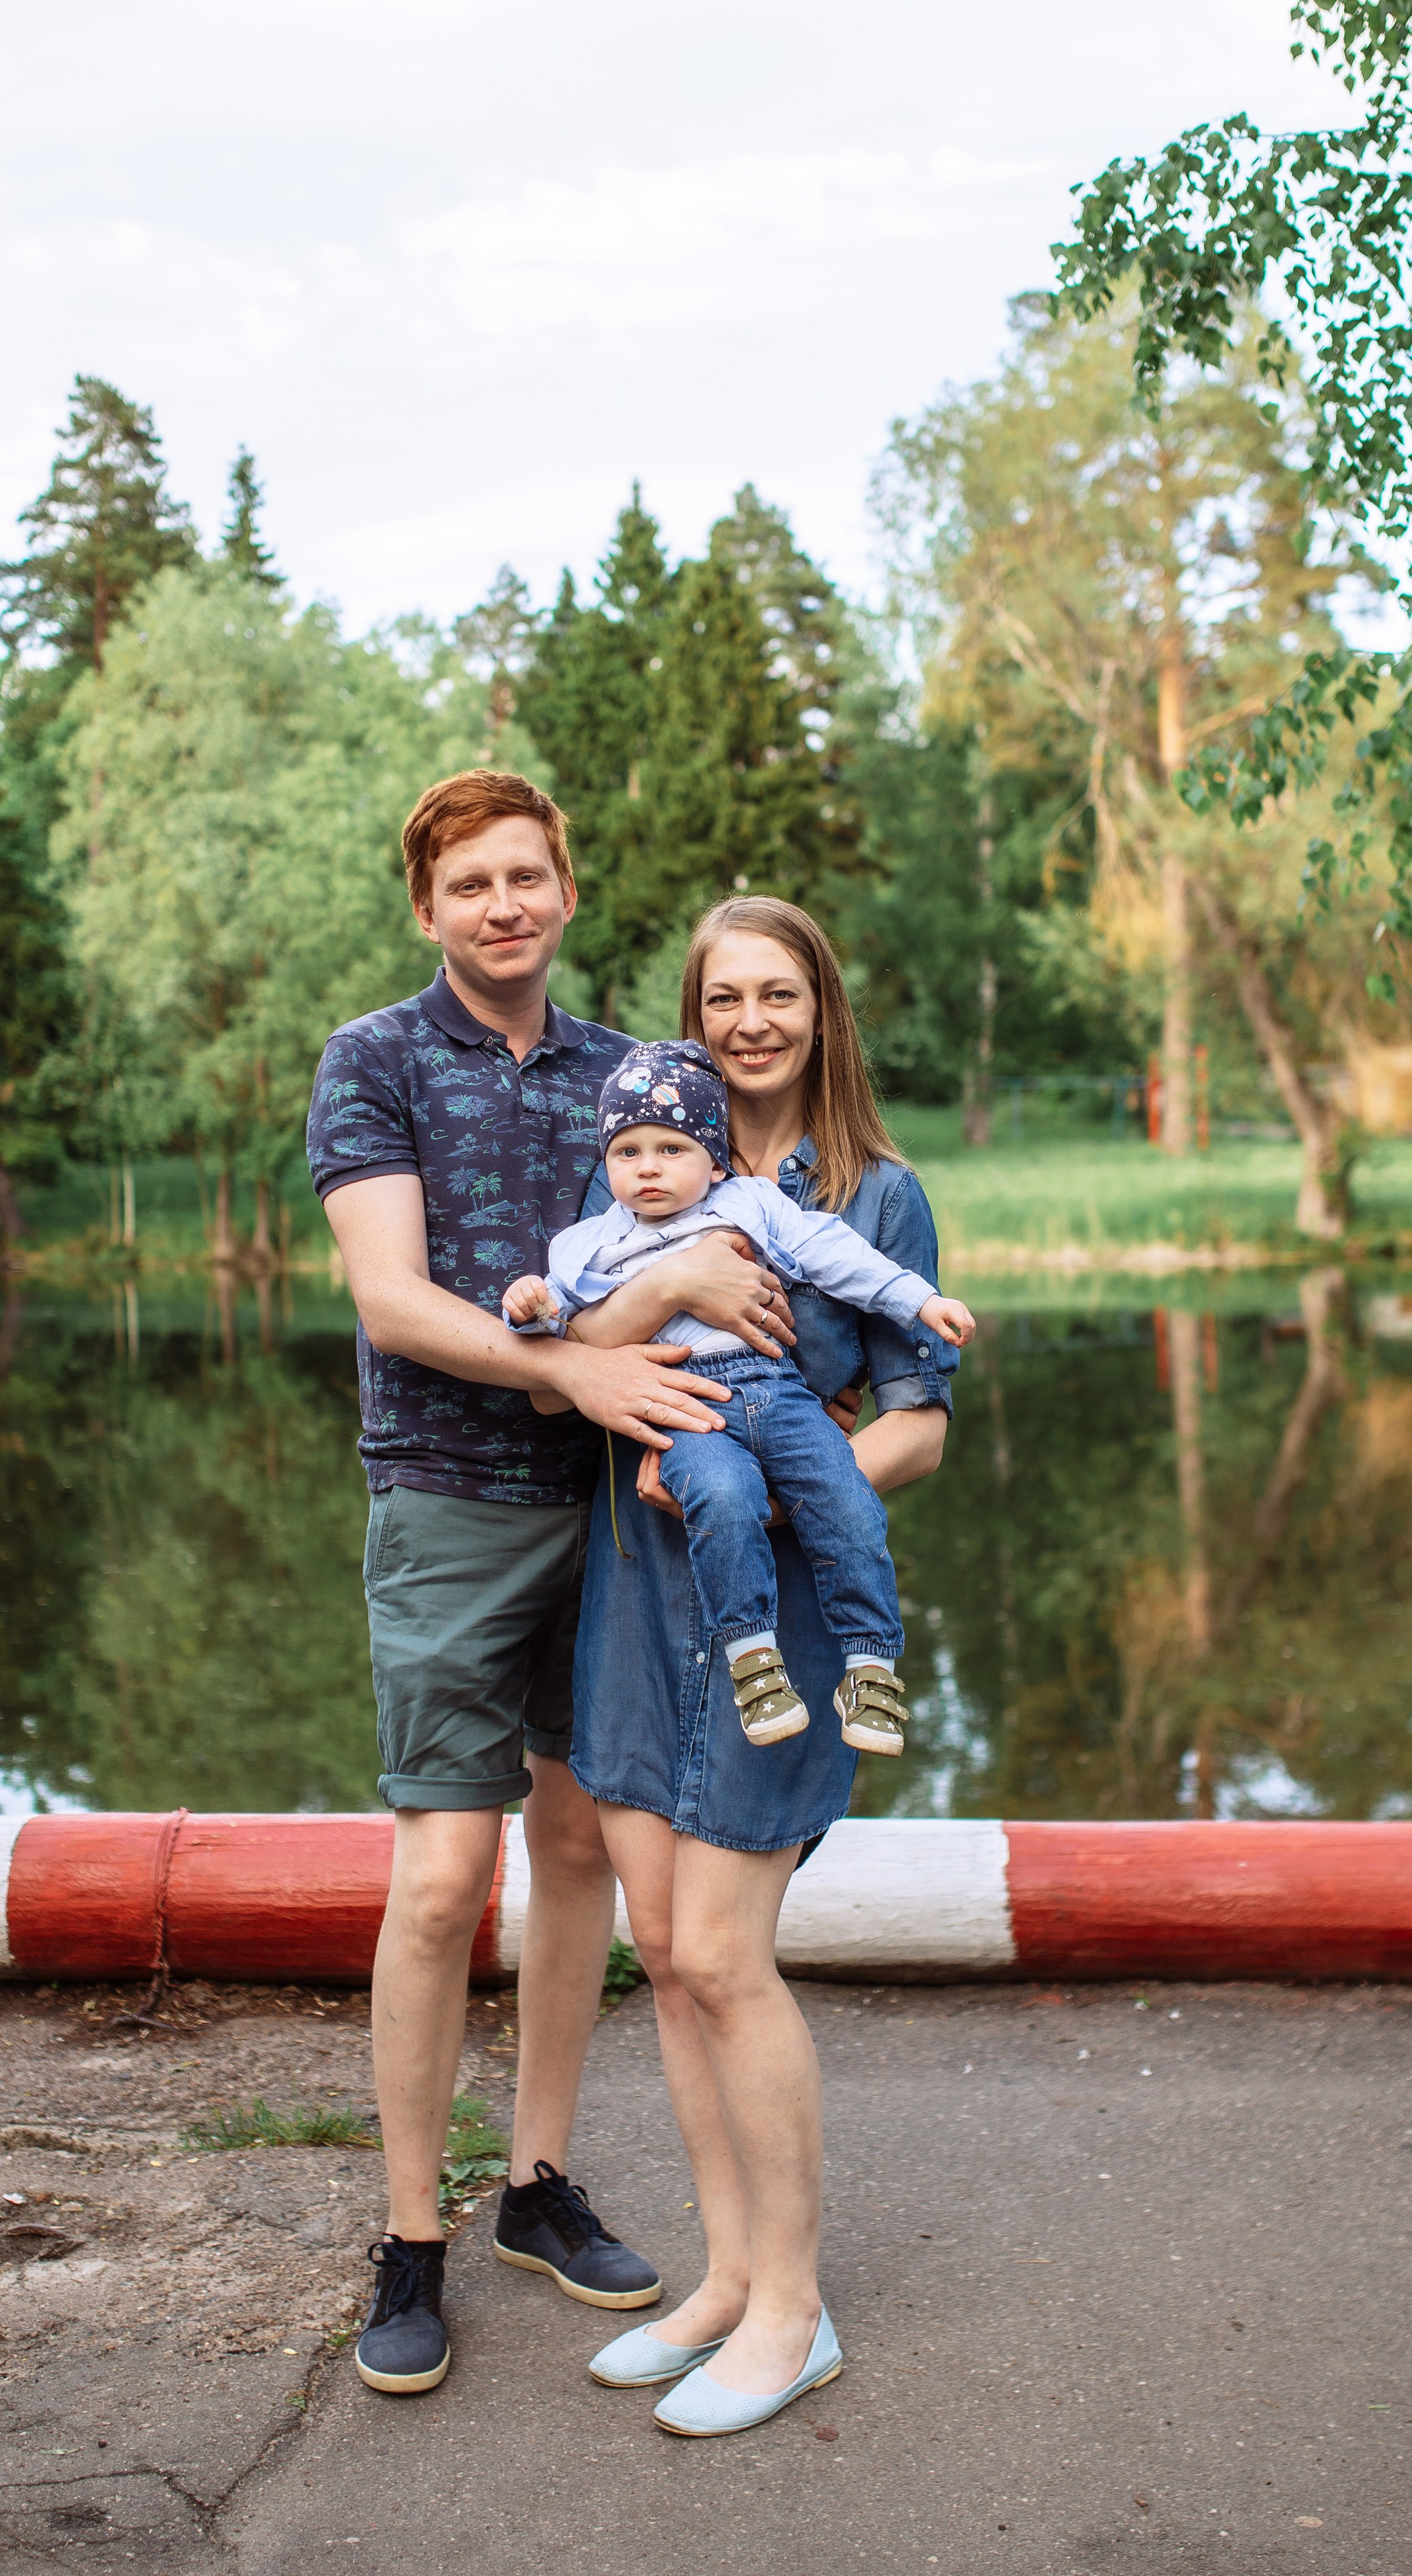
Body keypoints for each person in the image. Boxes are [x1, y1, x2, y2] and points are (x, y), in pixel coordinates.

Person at [307, 769, 756, 2398]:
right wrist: (572, 1369)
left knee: (574, 1843)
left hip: (620, 1509)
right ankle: (409, 2231)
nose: (501, 903)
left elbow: (725, 1234)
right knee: (439, 1880)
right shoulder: (372, 1058)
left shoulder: (635, 1071)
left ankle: (535, 2183)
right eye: (468, 883)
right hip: (446, 1501)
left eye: (526, 876)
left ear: (566, 886)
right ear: (426, 906)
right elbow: (392, 1298)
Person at [557, 897, 965, 2439]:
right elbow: (570, 1363)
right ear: (689, 1015)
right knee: (662, 1954)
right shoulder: (636, 1169)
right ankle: (727, 2278)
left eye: (775, 994)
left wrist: (798, 1485)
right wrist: (649, 1301)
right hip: (633, 1601)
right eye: (720, 996)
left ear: (820, 1008)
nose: (748, 1021)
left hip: (775, 1611)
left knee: (727, 1955)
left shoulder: (872, 1195)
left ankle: (793, 2312)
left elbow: (916, 1420)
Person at [501, 1038, 973, 1758]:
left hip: (778, 1394)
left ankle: (870, 1666)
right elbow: (556, 1328)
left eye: (671, 1148)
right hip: (689, 1408)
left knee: (845, 1497)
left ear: (713, 1159)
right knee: (722, 1500)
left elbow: (835, 1255)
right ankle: (753, 1659)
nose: (648, 1167)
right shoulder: (587, 1242)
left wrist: (919, 1300)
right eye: (626, 1152)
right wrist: (526, 1305)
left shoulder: (751, 1203)